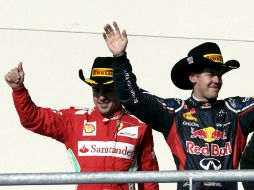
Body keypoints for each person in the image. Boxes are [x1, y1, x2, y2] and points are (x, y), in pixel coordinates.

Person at [102, 22, 254, 190]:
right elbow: (133, 99)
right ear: (193, 77)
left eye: (219, 75)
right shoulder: (176, 112)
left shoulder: (236, 110)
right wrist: (120, 58)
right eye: (210, 74)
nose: (217, 80)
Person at [5, 57, 159, 190]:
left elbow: (149, 180)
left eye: (107, 89)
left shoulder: (140, 126)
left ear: (119, 89)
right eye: (96, 89)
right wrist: (18, 90)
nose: (101, 96)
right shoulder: (74, 120)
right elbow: (32, 119)